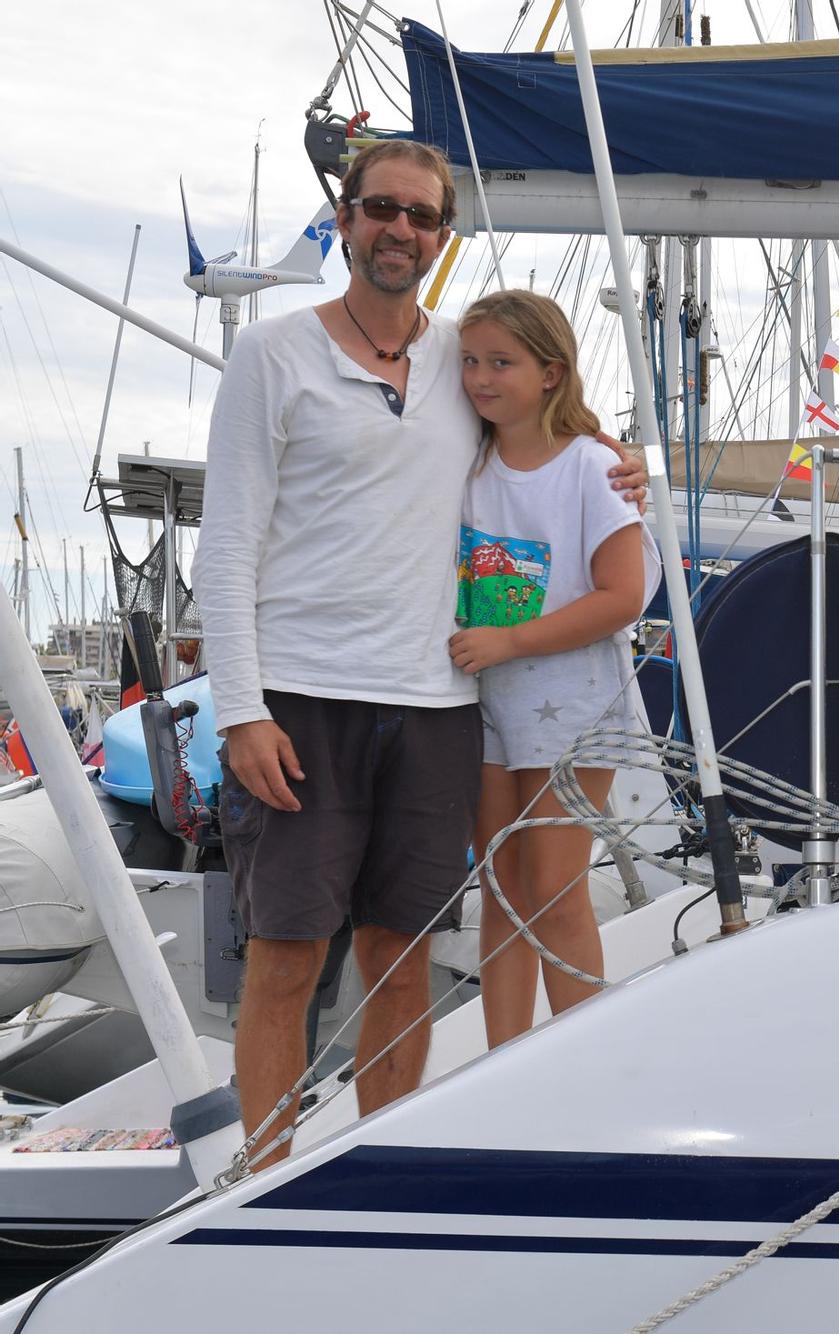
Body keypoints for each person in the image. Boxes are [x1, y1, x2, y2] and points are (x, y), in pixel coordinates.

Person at [193, 141, 647, 1168]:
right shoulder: (272, 353)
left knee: (399, 954)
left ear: (443, 237)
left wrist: (624, 465)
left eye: (423, 216)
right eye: (381, 209)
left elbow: (551, 425)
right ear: (346, 217)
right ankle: (264, 1179)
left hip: (441, 706)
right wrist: (237, 707)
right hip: (300, 699)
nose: (401, 229)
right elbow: (226, 542)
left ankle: (379, 1166)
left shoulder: (461, 356)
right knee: (285, 956)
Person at [448, 290, 661, 1048]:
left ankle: (579, 1058)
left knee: (555, 889)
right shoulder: (466, 461)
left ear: (551, 372)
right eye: (470, 361)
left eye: (501, 362)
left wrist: (508, 642)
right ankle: (503, 1058)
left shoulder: (592, 467)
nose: (479, 377)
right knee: (501, 888)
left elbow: (623, 596)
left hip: (572, 702)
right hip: (487, 702)